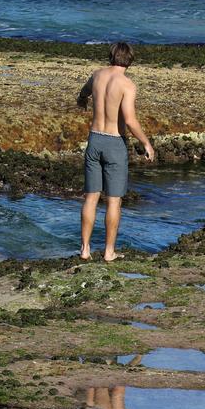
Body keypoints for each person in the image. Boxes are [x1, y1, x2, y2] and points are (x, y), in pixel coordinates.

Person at [76, 42, 155, 261]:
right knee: (113, 201)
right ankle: (109, 252)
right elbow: (129, 120)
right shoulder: (127, 84)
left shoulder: (97, 75)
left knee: (91, 198)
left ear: (111, 56)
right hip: (114, 143)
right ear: (130, 60)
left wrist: (82, 99)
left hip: (94, 140)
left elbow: (84, 92)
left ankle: (85, 249)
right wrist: (146, 143)